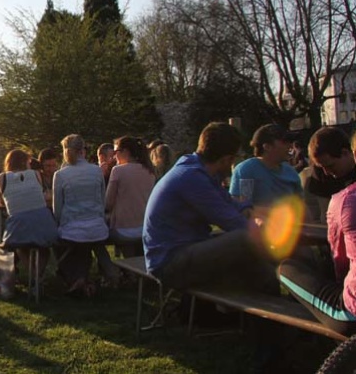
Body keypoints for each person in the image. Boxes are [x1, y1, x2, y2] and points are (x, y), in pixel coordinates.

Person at [143, 122, 278, 294]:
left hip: (183, 249)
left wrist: (248, 210)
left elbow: (228, 201)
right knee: (246, 239)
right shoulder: (192, 178)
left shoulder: (196, 169)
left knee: (253, 257)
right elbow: (229, 220)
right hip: (169, 263)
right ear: (226, 159)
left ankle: (255, 306)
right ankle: (274, 300)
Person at [278, 129, 356, 336]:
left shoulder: (345, 200)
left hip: (351, 313)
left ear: (348, 153)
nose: (328, 172)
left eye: (330, 166)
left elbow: (338, 259)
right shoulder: (316, 181)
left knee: (285, 269)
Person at [53, 135, 117, 297]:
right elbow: (102, 201)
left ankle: (76, 278)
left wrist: (61, 223)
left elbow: (57, 209)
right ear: (83, 150)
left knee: (63, 243)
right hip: (97, 228)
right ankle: (90, 278)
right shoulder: (96, 171)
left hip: (72, 229)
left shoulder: (60, 175)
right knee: (89, 244)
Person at [0, 149, 57, 281]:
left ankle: (33, 276)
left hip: (18, 226)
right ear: (25, 162)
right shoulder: (36, 174)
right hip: (43, 223)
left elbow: (2, 202)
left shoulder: (2, 178)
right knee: (44, 249)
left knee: (20, 246)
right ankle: (37, 277)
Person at [229, 124, 302, 208]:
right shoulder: (247, 170)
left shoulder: (291, 172)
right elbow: (243, 206)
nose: (290, 146)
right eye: (285, 142)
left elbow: (301, 206)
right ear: (267, 147)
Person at [106, 136, 155, 258]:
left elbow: (108, 204)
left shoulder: (118, 171)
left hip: (123, 230)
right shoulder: (150, 170)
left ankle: (116, 271)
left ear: (125, 152)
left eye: (116, 152)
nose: (114, 156)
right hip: (145, 228)